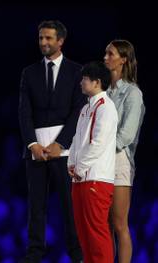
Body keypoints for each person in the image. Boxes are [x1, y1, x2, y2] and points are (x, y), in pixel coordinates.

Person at [18, 20, 84, 263]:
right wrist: (32, 144)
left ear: (60, 41)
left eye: (48, 38)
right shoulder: (29, 72)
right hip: (36, 151)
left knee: (69, 205)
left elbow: (78, 109)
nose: (43, 42)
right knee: (36, 206)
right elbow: (24, 112)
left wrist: (62, 143)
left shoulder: (77, 71)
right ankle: (34, 255)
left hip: (64, 151)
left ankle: (77, 254)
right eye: (40, 38)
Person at [68, 61, 118, 263]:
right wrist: (70, 163)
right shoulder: (85, 109)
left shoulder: (106, 108)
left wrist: (79, 166)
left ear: (97, 83)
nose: (81, 82)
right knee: (83, 235)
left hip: (96, 178)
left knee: (97, 234)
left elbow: (98, 143)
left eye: (85, 79)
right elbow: (76, 140)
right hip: (80, 179)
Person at [104, 39, 145, 263]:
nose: (105, 58)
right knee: (104, 225)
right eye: (105, 54)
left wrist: (101, 150)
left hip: (119, 160)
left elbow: (127, 135)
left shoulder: (132, 93)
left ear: (123, 60)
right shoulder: (102, 91)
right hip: (100, 162)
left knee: (119, 223)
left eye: (110, 54)